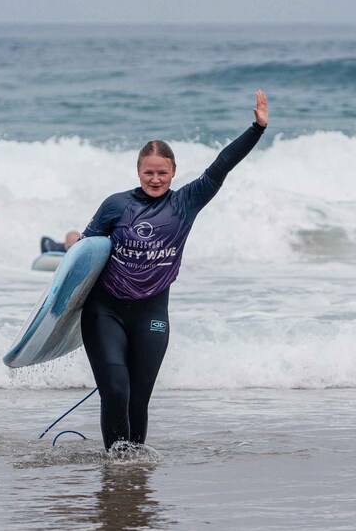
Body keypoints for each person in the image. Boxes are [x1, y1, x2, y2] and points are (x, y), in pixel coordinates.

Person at [79, 90, 269, 451]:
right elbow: (85, 254)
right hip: (104, 311)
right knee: (116, 391)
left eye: (162, 173)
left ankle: (131, 467)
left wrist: (256, 129)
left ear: (174, 172)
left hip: (151, 313)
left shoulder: (186, 202)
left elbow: (222, 165)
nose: (155, 179)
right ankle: (115, 464)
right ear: (138, 171)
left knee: (138, 400)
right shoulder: (115, 205)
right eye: (148, 172)